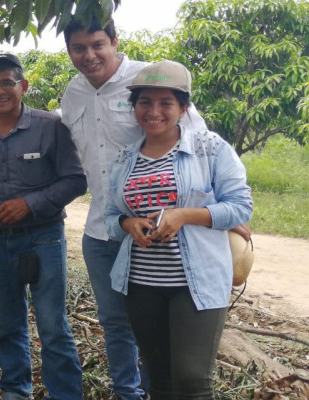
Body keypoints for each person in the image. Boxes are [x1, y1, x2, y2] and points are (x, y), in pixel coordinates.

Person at [60, 17, 212, 400]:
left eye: (97, 44)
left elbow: (201, 145)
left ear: (114, 41)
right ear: (69, 51)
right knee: (114, 323)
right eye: (79, 48)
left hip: (157, 233)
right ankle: (127, 393)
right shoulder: (73, 93)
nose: (89, 55)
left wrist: (220, 212)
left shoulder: (148, 84)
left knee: (154, 327)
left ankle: (160, 391)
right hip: (103, 229)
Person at [105, 60, 252, 399]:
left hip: (196, 283)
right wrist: (127, 223)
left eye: (166, 103)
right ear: (134, 107)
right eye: (145, 102)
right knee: (159, 378)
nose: (154, 111)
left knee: (191, 379)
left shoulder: (209, 149)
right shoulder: (125, 159)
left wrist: (185, 215)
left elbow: (241, 207)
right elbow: (111, 217)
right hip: (142, 284)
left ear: (183, 108)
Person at [0, 54, 86, 400]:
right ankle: (16, 392)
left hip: (43, 238)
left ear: (23, 86)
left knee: (52, 326)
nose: (0, 90)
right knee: (7, 326)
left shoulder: (50, 127)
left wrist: (29, 204)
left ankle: (65, 394)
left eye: (7, 82)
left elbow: (76, 181)